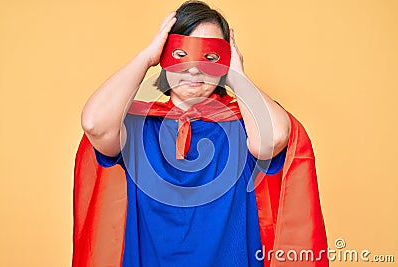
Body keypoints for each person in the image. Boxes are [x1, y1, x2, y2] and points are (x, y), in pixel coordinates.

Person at [72, 1, 328, 266]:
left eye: (210, 57)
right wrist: (146, 57)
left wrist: (238, 75)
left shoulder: (245, 124)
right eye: (180, 54)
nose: (194, 69)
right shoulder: (137, 127)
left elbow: (273, 139)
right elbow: (94, 124)